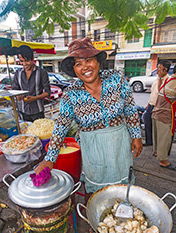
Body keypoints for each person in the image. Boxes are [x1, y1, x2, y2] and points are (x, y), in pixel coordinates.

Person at [35, 37, 143, 193]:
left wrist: (136, 136)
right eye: (78, 64)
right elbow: (61, 127)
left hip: (119, 143)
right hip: (93, 150)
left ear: (98, 61)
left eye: (88, 60)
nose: (85, 67)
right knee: (97, 193)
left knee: (122, 190)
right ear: (74, 70)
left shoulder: (116, 79)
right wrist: (49, 159)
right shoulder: (70, 94)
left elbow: (130, 108)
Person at [13, 45, 51, 122]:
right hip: (23, 111)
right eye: (21, 61)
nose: (24, 64)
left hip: (38, 111)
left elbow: (47, 92)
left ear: (32, 58)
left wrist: (35, 98)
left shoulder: (42, 73)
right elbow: (15, 89)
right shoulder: (17, 74)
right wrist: (18, 96)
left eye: (26, 61)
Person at [152, 63, 176, 170]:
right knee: (164, 138)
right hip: (164, 115)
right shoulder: (173, 83)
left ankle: (157, 152)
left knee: (158, 136)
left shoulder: (168, 80)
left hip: (157, 112)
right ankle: (163, 160)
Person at [143, 60, 170, 146]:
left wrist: (161, 79)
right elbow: (153, 93)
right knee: (147, 120)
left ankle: (157, 146)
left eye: (159, 68)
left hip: (158, 107)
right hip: (151, 105)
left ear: (165, 69)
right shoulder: (157, 79)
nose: (157, 69)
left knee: (157, 126)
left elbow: (160, 92)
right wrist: (148, 104)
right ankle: (149, 141)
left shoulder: (167, 80)